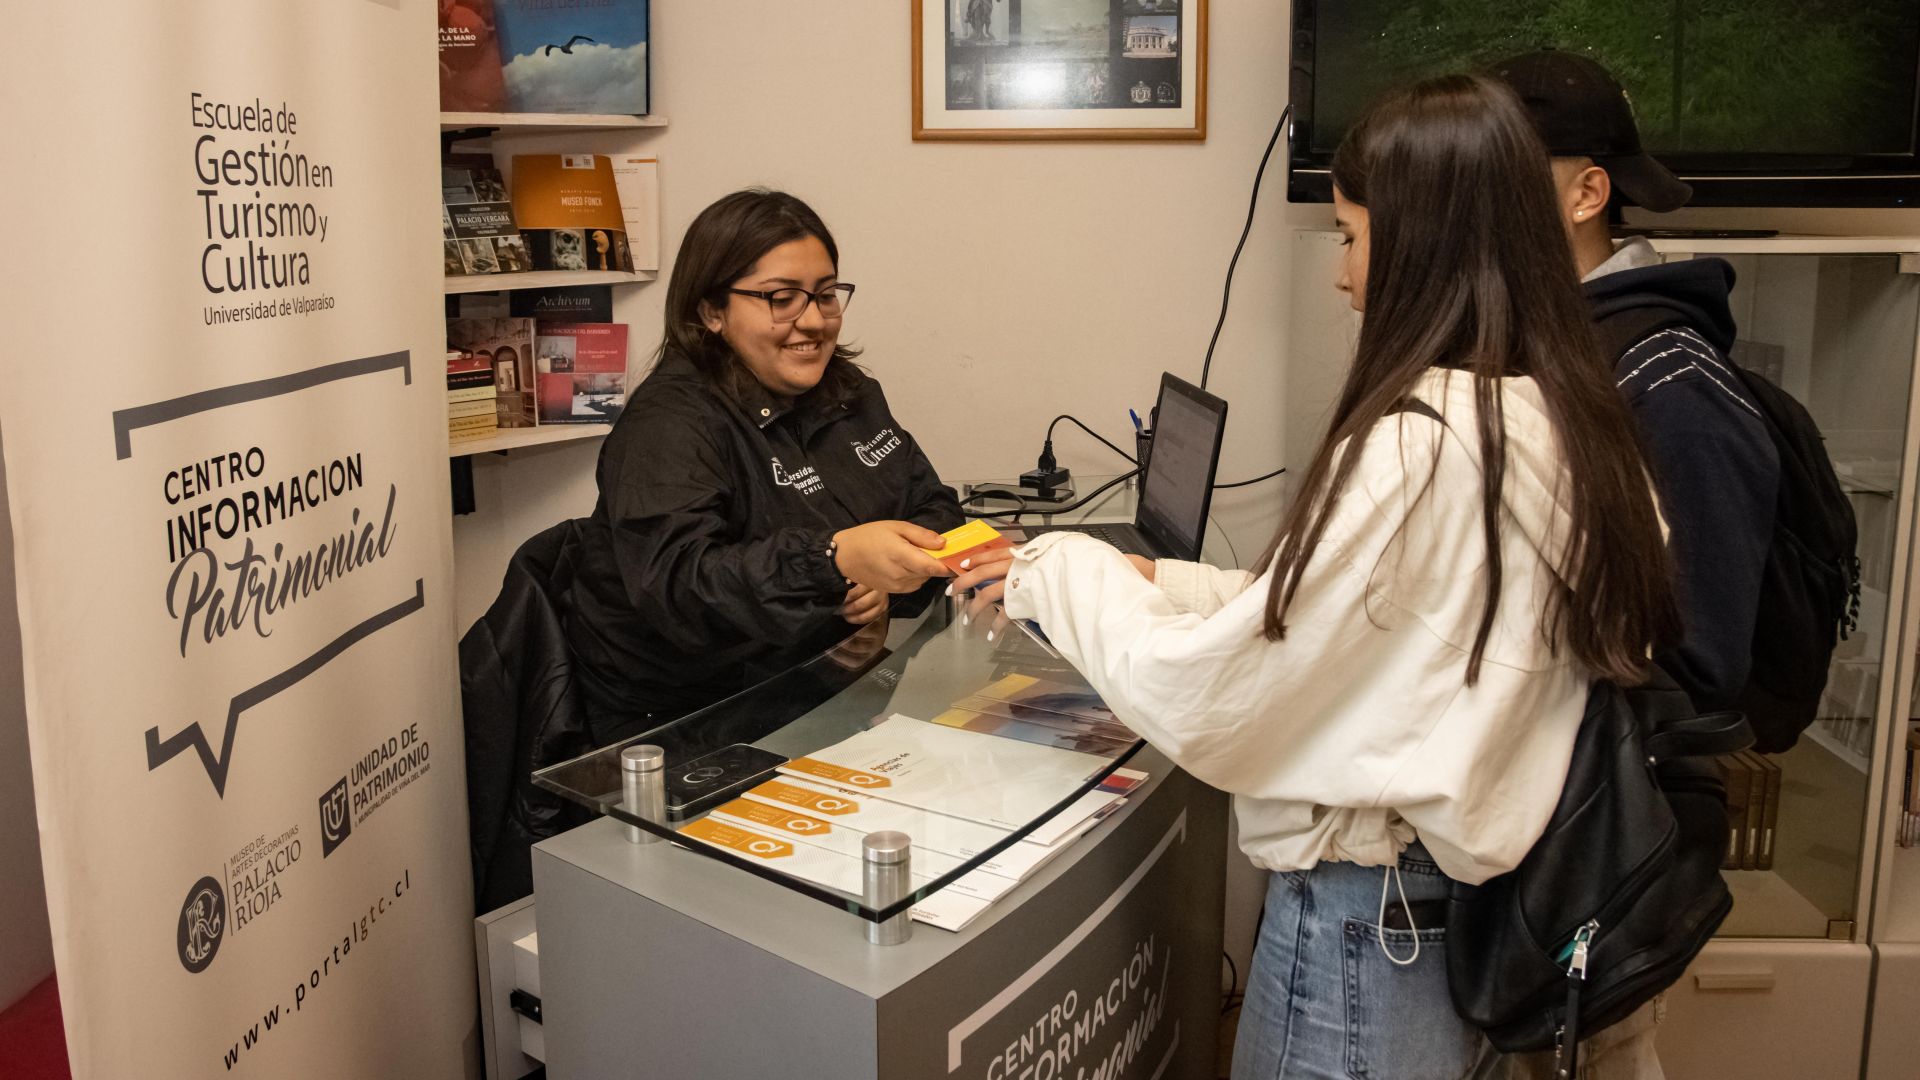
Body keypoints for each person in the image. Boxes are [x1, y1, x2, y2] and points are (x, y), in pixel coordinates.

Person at [955, 75, 1678, 1078]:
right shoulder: (1565, 422)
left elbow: (1214, 695)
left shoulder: (1418, 447)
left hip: (1363, 941)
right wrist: (1159, 575)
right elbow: (1396, 635)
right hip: (1468, 923)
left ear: (1424, 245)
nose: (1343, 276)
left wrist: (1055, 569)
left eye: (1350, 236)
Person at [566, 189, 961, 741]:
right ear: (710, 311)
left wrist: (883, 587)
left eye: (825, 295)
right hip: (690, 725)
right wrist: (832, 562)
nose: (814, 321)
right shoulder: (669, 424)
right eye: (781, 298)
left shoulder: (850, 392)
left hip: (825, 695)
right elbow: (680, 588)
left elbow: (934, 508)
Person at [1494, 50, 1780, 721]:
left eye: (1493, 182)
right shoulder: (1532, 346)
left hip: (1610, 802)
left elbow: (1697, 664)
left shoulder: (1673, 386)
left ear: (1587, 196)